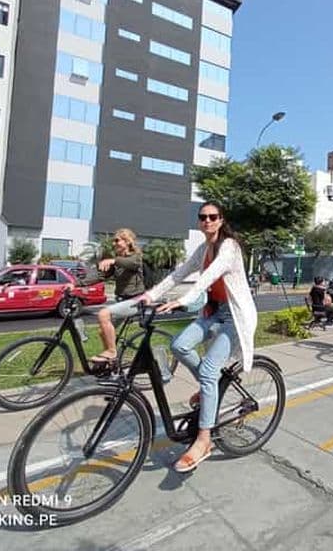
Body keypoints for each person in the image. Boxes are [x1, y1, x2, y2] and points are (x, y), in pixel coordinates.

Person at [133, 201, 256, 473]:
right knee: (178, 345)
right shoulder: (203, 249)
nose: (208, 221)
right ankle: (208, 389)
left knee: (210, 371)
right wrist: (150, 295)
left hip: (235, 317)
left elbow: (209, 277)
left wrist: (183, 300)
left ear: (221, 220)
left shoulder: (230, 247)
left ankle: (204, 440)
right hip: (213, 312)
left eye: (213, 217)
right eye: (203, 217)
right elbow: (179, 274)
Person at [91, 228, 145, 366]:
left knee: (103, 315)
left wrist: (113, 260)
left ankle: (111, 352)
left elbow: (131, 263)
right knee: (103, 332)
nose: (114, 243)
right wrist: (75, 284)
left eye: (117, 240)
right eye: (113, 241)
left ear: (127, 242)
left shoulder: (135, 257)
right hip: (122, 301)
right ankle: (112, 362)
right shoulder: (117, 261)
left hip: (135, 301)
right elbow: (100, 276)